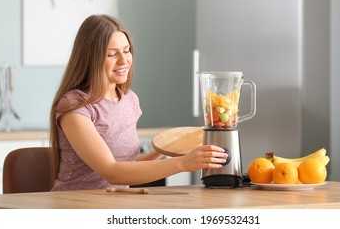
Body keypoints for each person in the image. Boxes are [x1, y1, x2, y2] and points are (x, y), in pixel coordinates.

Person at [49, 14, 227, 191]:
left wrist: (166, 147)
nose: (123, 60)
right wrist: (182, 164)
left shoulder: (129, 99)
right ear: (90, 58)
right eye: (111, 54)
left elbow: (129, 166)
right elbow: (112, 171)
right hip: (75, 204)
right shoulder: (75, 106)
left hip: (115, 203)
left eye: (126, 51)